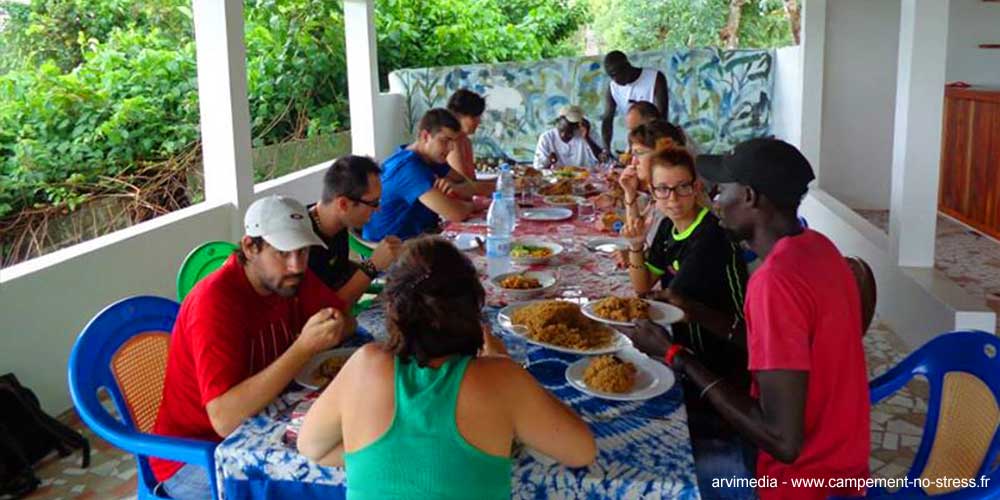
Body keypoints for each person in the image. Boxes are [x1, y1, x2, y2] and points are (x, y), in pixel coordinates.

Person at [623, 139, 869, 499]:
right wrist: (698, 312)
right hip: (845, 467)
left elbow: (783, 442)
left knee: (641, 467)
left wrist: (676, 354)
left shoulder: (774, 282)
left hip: (796, 482)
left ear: (751, 197)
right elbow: (786, 348)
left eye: (723, 188)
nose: (715, 197)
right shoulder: (818, 248)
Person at [298, 236, 597, 498]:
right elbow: (581, 452)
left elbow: (312, 447)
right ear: (473, 311)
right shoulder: (502, 378)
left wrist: (389, 458)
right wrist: (504, 363)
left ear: (392, 309)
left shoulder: (364, 365)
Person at [152, 195, 355, 500]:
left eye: (303, 252)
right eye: (283, 253)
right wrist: (302, 348)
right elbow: (223, 420)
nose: (296, 265)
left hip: (265, 419)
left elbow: (344, 320)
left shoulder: (289, 277)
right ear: (250, 247)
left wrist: (334, 324)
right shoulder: (215, 302)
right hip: (195, 454)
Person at [619, 146, 753, 499]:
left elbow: (665, 304)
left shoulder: (709, 237)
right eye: (662, 189)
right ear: (653, 192)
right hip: (691, 346)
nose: (673, 198)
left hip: (727, 356)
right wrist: (635, 245)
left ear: (696, 188)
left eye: (682, 187)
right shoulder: (666, 228)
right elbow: (642, 285)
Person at [363, 109, 475, 241]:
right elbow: (456, 214)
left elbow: (466, 183)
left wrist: (456, 189)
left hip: (419, 237)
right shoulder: (409, 168)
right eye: (445, 141)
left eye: (453, 142)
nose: (451, 148)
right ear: (425, 136)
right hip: (390, 249)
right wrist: (474, 205)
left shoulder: (431, 157)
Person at [308, 155, 402, 307]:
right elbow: (330, 308)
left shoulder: (336, 223)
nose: (378, 209)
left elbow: (340, 269)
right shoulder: (304, 245)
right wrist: (372, 266)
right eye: (373, 203)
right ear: (343, 204)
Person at [601, 50, 669, 153]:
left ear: (627, 67)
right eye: (611, 76)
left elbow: (662, 116)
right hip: (635, 141)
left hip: (656, 139)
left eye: (616, 74)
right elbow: (607, 119)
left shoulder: (655, 78)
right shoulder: (613, 87)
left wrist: (652, 145)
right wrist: (606, 149)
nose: (615, 80)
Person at [532, 105, 603, 170]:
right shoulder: (546, 138)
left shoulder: (588, 134)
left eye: (570, 131)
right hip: (556, 180)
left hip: (584, 178)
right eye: (562, 130)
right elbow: (538, 168)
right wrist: (549, 161)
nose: (564, 135)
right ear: (558, 121)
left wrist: (587, 138)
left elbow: (602, 160)